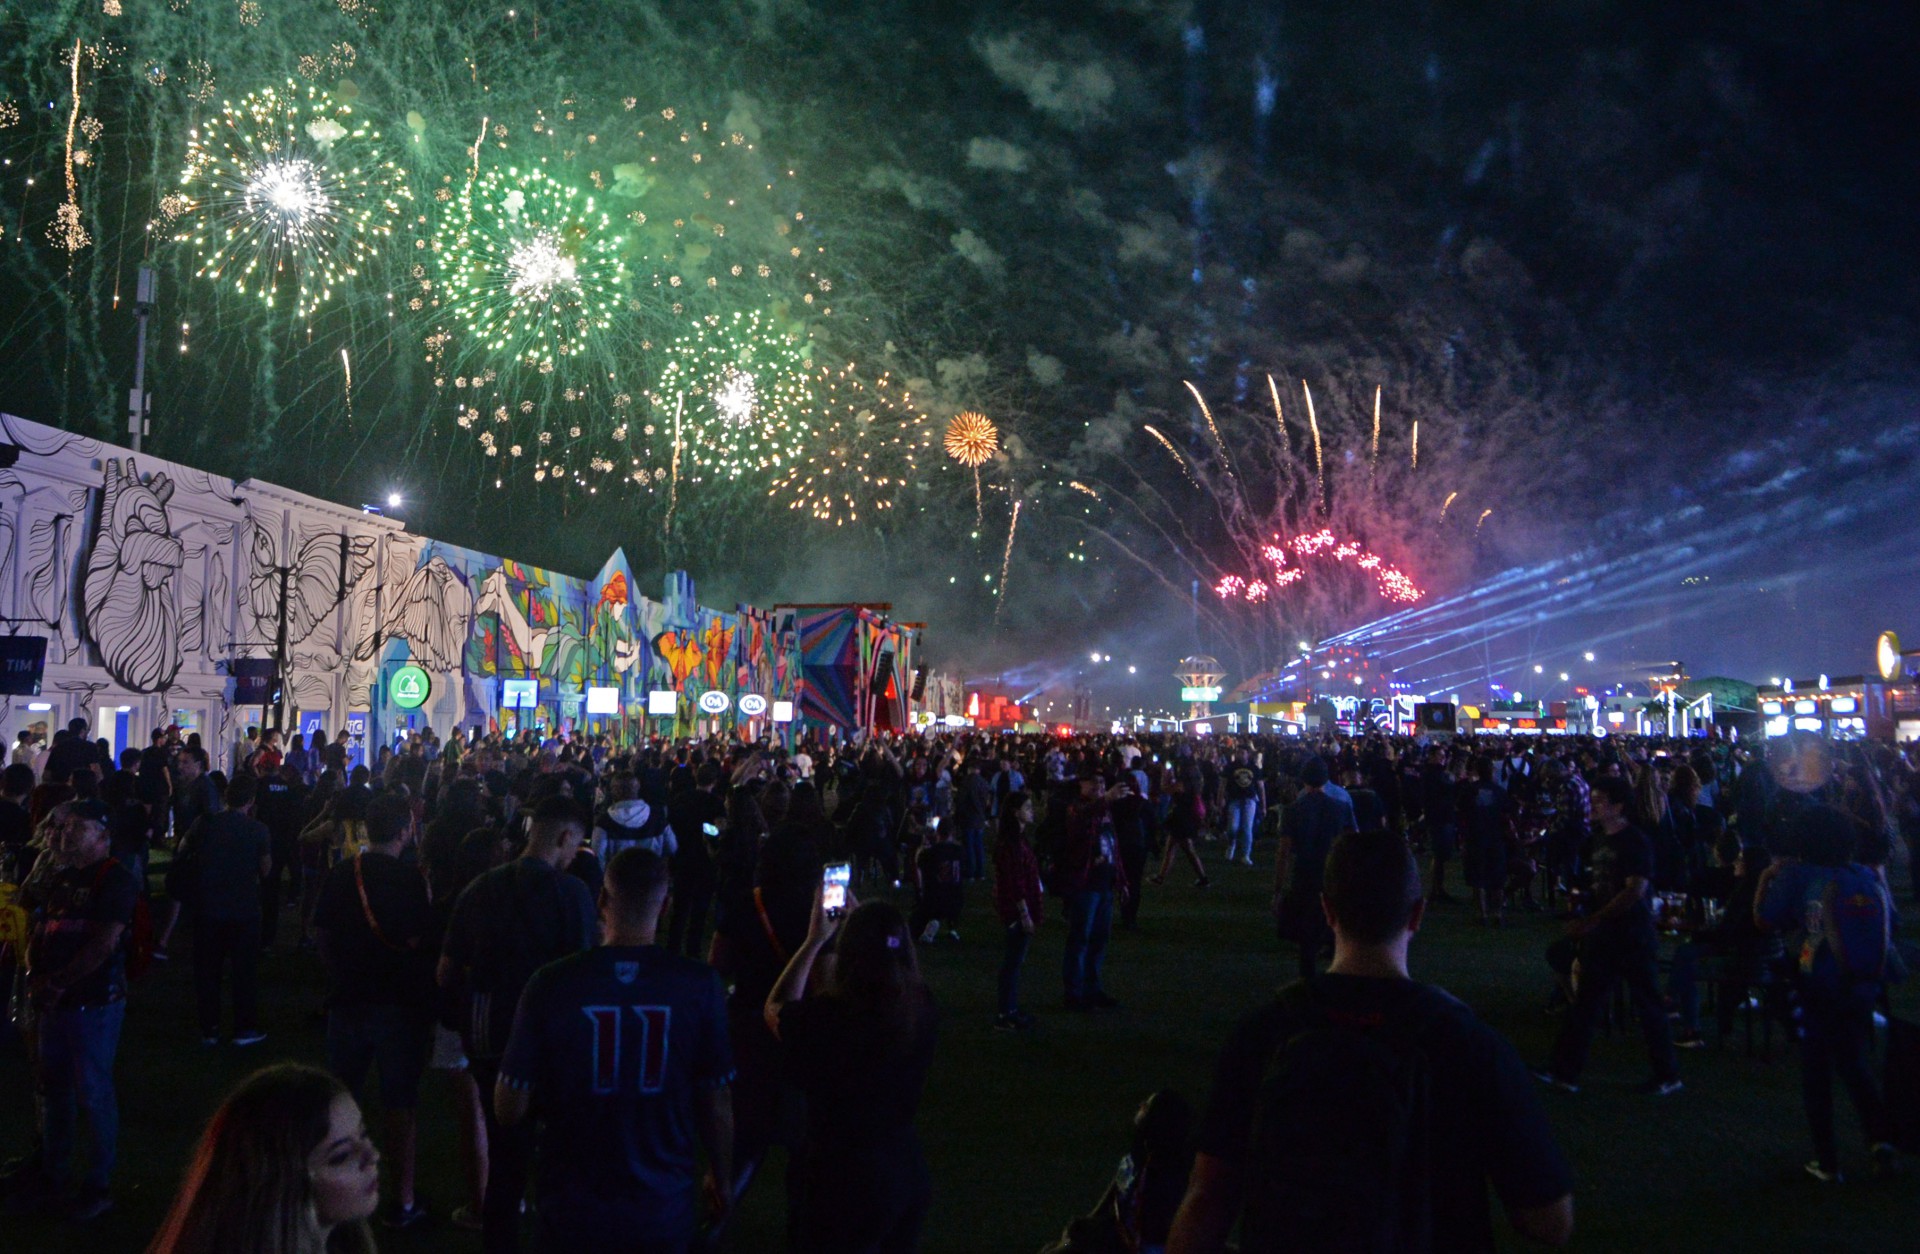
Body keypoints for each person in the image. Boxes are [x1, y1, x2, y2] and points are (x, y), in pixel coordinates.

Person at [1167, 830, 1575, 1253]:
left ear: (1328, 910)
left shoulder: (1265, 1032)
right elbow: (1549, 1220)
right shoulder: (1467, 1044)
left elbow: (1208, 1200)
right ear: (1417, 914)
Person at [496, 849, 734, 1254]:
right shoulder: (699, 985)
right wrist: (722, 1177)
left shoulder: (552, 983)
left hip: (571, 1203)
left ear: (602, 900)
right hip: (661, 1204)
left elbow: (508, 1106)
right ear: (666, 905)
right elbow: (717, 1100)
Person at [438, 794, 597, 1254]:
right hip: (554, 1045)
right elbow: (585, 975)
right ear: (564, 838)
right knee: (558, 1156)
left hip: (489, 1036)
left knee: (505, 1156)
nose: (574, 855)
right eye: (575, 845)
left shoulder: (480, 889)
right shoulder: (572, 895)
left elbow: (446, 972)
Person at [766, 896, 938, 1254]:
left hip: (842, 1178)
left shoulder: (830, 1020)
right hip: (904, 1167)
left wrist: (815, 940)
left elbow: (777, 1008)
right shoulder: (921, 1006)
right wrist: (867, 924)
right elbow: (886, 954)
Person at [1754, 804, 1901, 1182]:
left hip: (1817, 980)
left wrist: (1766, 879)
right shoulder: (1863, 875)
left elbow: (1766, 920)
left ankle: (1827, 1160)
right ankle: (1880, 1141)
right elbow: (1893, 921)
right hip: (1863, 980)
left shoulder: (1797, 874)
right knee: (1854, 1061)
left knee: (1816, 1070)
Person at [312, 792, 436, 1227]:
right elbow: (422, 940)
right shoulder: (412, 880)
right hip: (399, 1003)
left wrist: (338, 970)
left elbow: (321, 932)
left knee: (339, 1100)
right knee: (400, 1102)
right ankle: (402, 1200)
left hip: (349, 997)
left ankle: (330, 1194)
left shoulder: (343, 873)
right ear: (405, 831)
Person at [11, 801, 137, 1220]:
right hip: (57, 1001)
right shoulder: (63, 876)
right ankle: (54, 1171)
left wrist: (57, 982)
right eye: (65, 828)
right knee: (55, 1089)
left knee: (93, 1092)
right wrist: (37, 974)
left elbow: (104, 943)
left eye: (77, 828)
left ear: (103, 835)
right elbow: (40, 927)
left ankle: (98, 1185)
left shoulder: (115, 878)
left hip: (92, 1002)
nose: (65, 834)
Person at [1536, 775, 1682, 1096]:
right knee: (1587, 1003)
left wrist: (1593, 920)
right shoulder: (1600, 839)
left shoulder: (1634, 841)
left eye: (1600, 801)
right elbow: (1602, 884)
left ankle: (1667, 1074)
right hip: (1606, 935)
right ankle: (1564, 1070)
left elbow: (1634, 890)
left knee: (1647, 1006)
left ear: (1618, 806)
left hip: (1632, 935)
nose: (1593, 806)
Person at [146, 1064, 380, 1254]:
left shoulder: (341, 1243)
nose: (373, 1156)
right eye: (341, 1156)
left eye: (363, 1134)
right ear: (281, 1184)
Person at [179, 772, 271, 1047]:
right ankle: (244, 1028)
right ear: (251, 800)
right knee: (244, 971)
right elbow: (266, 869)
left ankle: (210, 1028)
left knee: (208, 971)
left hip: (208, 905)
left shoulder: (204, 823)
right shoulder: (257, 829)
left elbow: (183, 849)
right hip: (243, 907)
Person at [1273, 757, 1355, 982]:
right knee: (1338, 931)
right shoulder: (1341, 807)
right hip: (1334, 875)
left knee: (1307, 940)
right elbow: (1353, 843)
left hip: (1305, 877)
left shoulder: (1293, 810)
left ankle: (1307, 986)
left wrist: (1278, 890)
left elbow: (1283, 853)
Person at [1058, 774, 1133, 1010]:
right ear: (1081, 784)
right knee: (1081, 938)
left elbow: (1112, 845)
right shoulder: (1077, 808)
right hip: (1085, 884)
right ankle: (1074, 993)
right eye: (1093, 782)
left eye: (1102, 783)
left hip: (1104, 884)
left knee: (1099, 940)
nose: (1099, 786)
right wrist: (1106, 799)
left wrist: (1121, 879)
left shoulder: (1104, 810)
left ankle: (1092, 989)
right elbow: (1080, 820)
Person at [992, 791, 1043, 1030]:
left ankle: (1010, 1008)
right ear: (1015, 812)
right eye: (1027, 807)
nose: (1031, 811)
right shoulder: (1011, 845)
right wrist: (1024, 914)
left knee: (1015, 961)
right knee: (1012, 963)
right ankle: (1005, 1013)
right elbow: (1015, 882)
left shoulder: (1019, 840)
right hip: (1016, 910)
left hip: (1022, 905)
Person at [910, 820, 965, 944]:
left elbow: (919, 866)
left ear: (937, 833)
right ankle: (952, 928)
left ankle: (932, 924)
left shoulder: (931, 853)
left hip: (934, 900)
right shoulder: (960, 851)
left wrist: (921, 849)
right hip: (956, 899)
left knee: (912, 931)